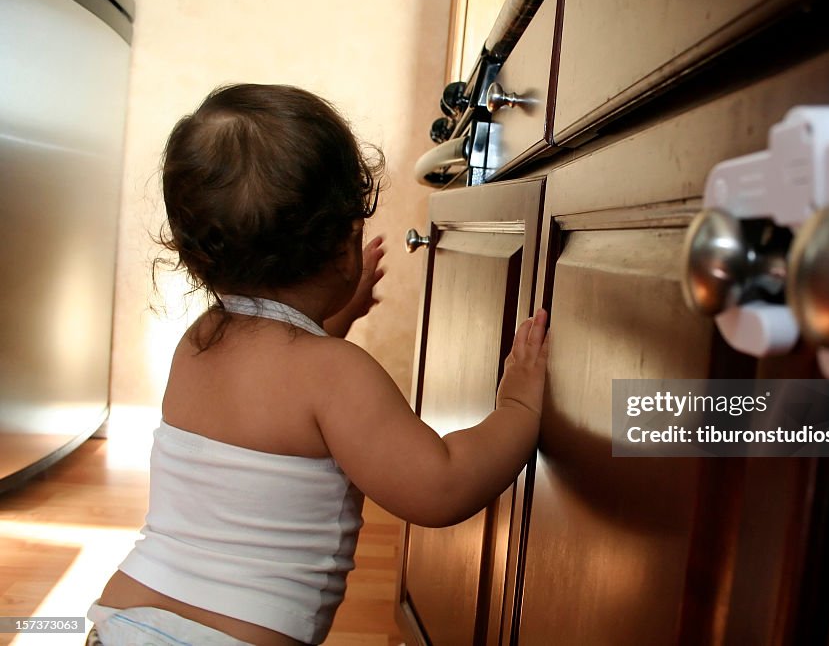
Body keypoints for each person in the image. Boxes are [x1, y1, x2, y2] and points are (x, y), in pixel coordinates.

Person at [88, 84, 549, 646]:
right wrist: (520, 408)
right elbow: (441, 485)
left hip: (123, 615)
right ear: (345, 243)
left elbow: (278, 391)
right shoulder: (337, 374)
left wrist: (329, 320)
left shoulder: (201, 340)